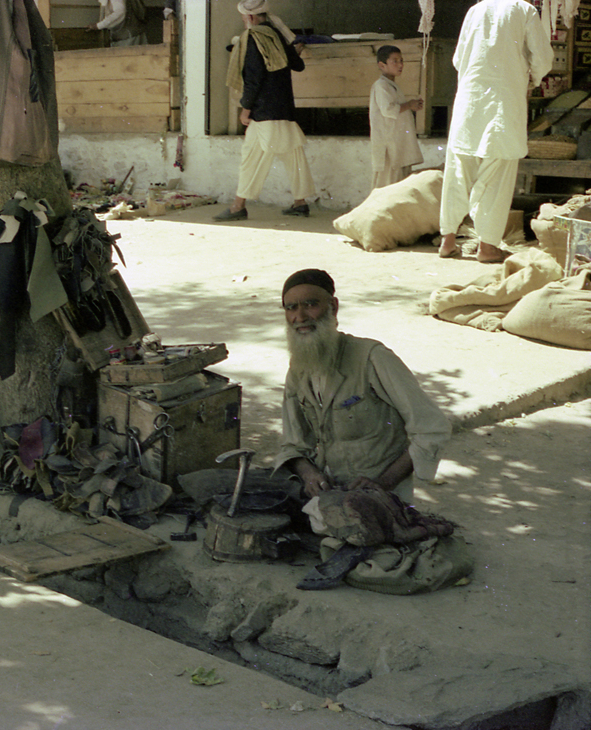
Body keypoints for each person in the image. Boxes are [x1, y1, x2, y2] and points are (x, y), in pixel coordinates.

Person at [273, 269, 450, 503]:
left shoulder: (372, 358)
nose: (300, 316)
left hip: (383, 501)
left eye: (311, 304)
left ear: (333, 307)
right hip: (329, 497)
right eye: (291, 308)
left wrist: (383, 484)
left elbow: (432, 429)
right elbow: (293, 444)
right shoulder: (298, 368)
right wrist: (309, 474)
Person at [438, 0, 551, 263]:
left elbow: (458, 59)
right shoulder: (524, 10)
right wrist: (531, 78)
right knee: (497, 175)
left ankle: (447, 241)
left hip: (470, 102)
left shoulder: (475, 10)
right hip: (503, 103)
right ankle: (487, 247)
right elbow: (543, 58)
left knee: (458, 171)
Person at [216, 0, 314, 222]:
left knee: (252, 158)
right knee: (293, 156)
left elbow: (254, 78)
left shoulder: (253, 38)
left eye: (244, 18)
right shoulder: (277, 35)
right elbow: (298, 65)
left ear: (250, 18)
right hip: (284, 109)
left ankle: (238, 206)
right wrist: (294, 51)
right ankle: (300, 202)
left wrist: (245, 108)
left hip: (264, 111)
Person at [369, 45, 424, 189]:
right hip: (388, 145)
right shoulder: (381, 86)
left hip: (397, 143)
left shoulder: (391, 85)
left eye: (401, 61)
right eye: (395, 61)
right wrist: (409, 105)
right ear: (382, 65)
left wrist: (411, 106)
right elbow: (388, 110)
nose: (400, 65)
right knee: (387, 184)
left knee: (398, 184)